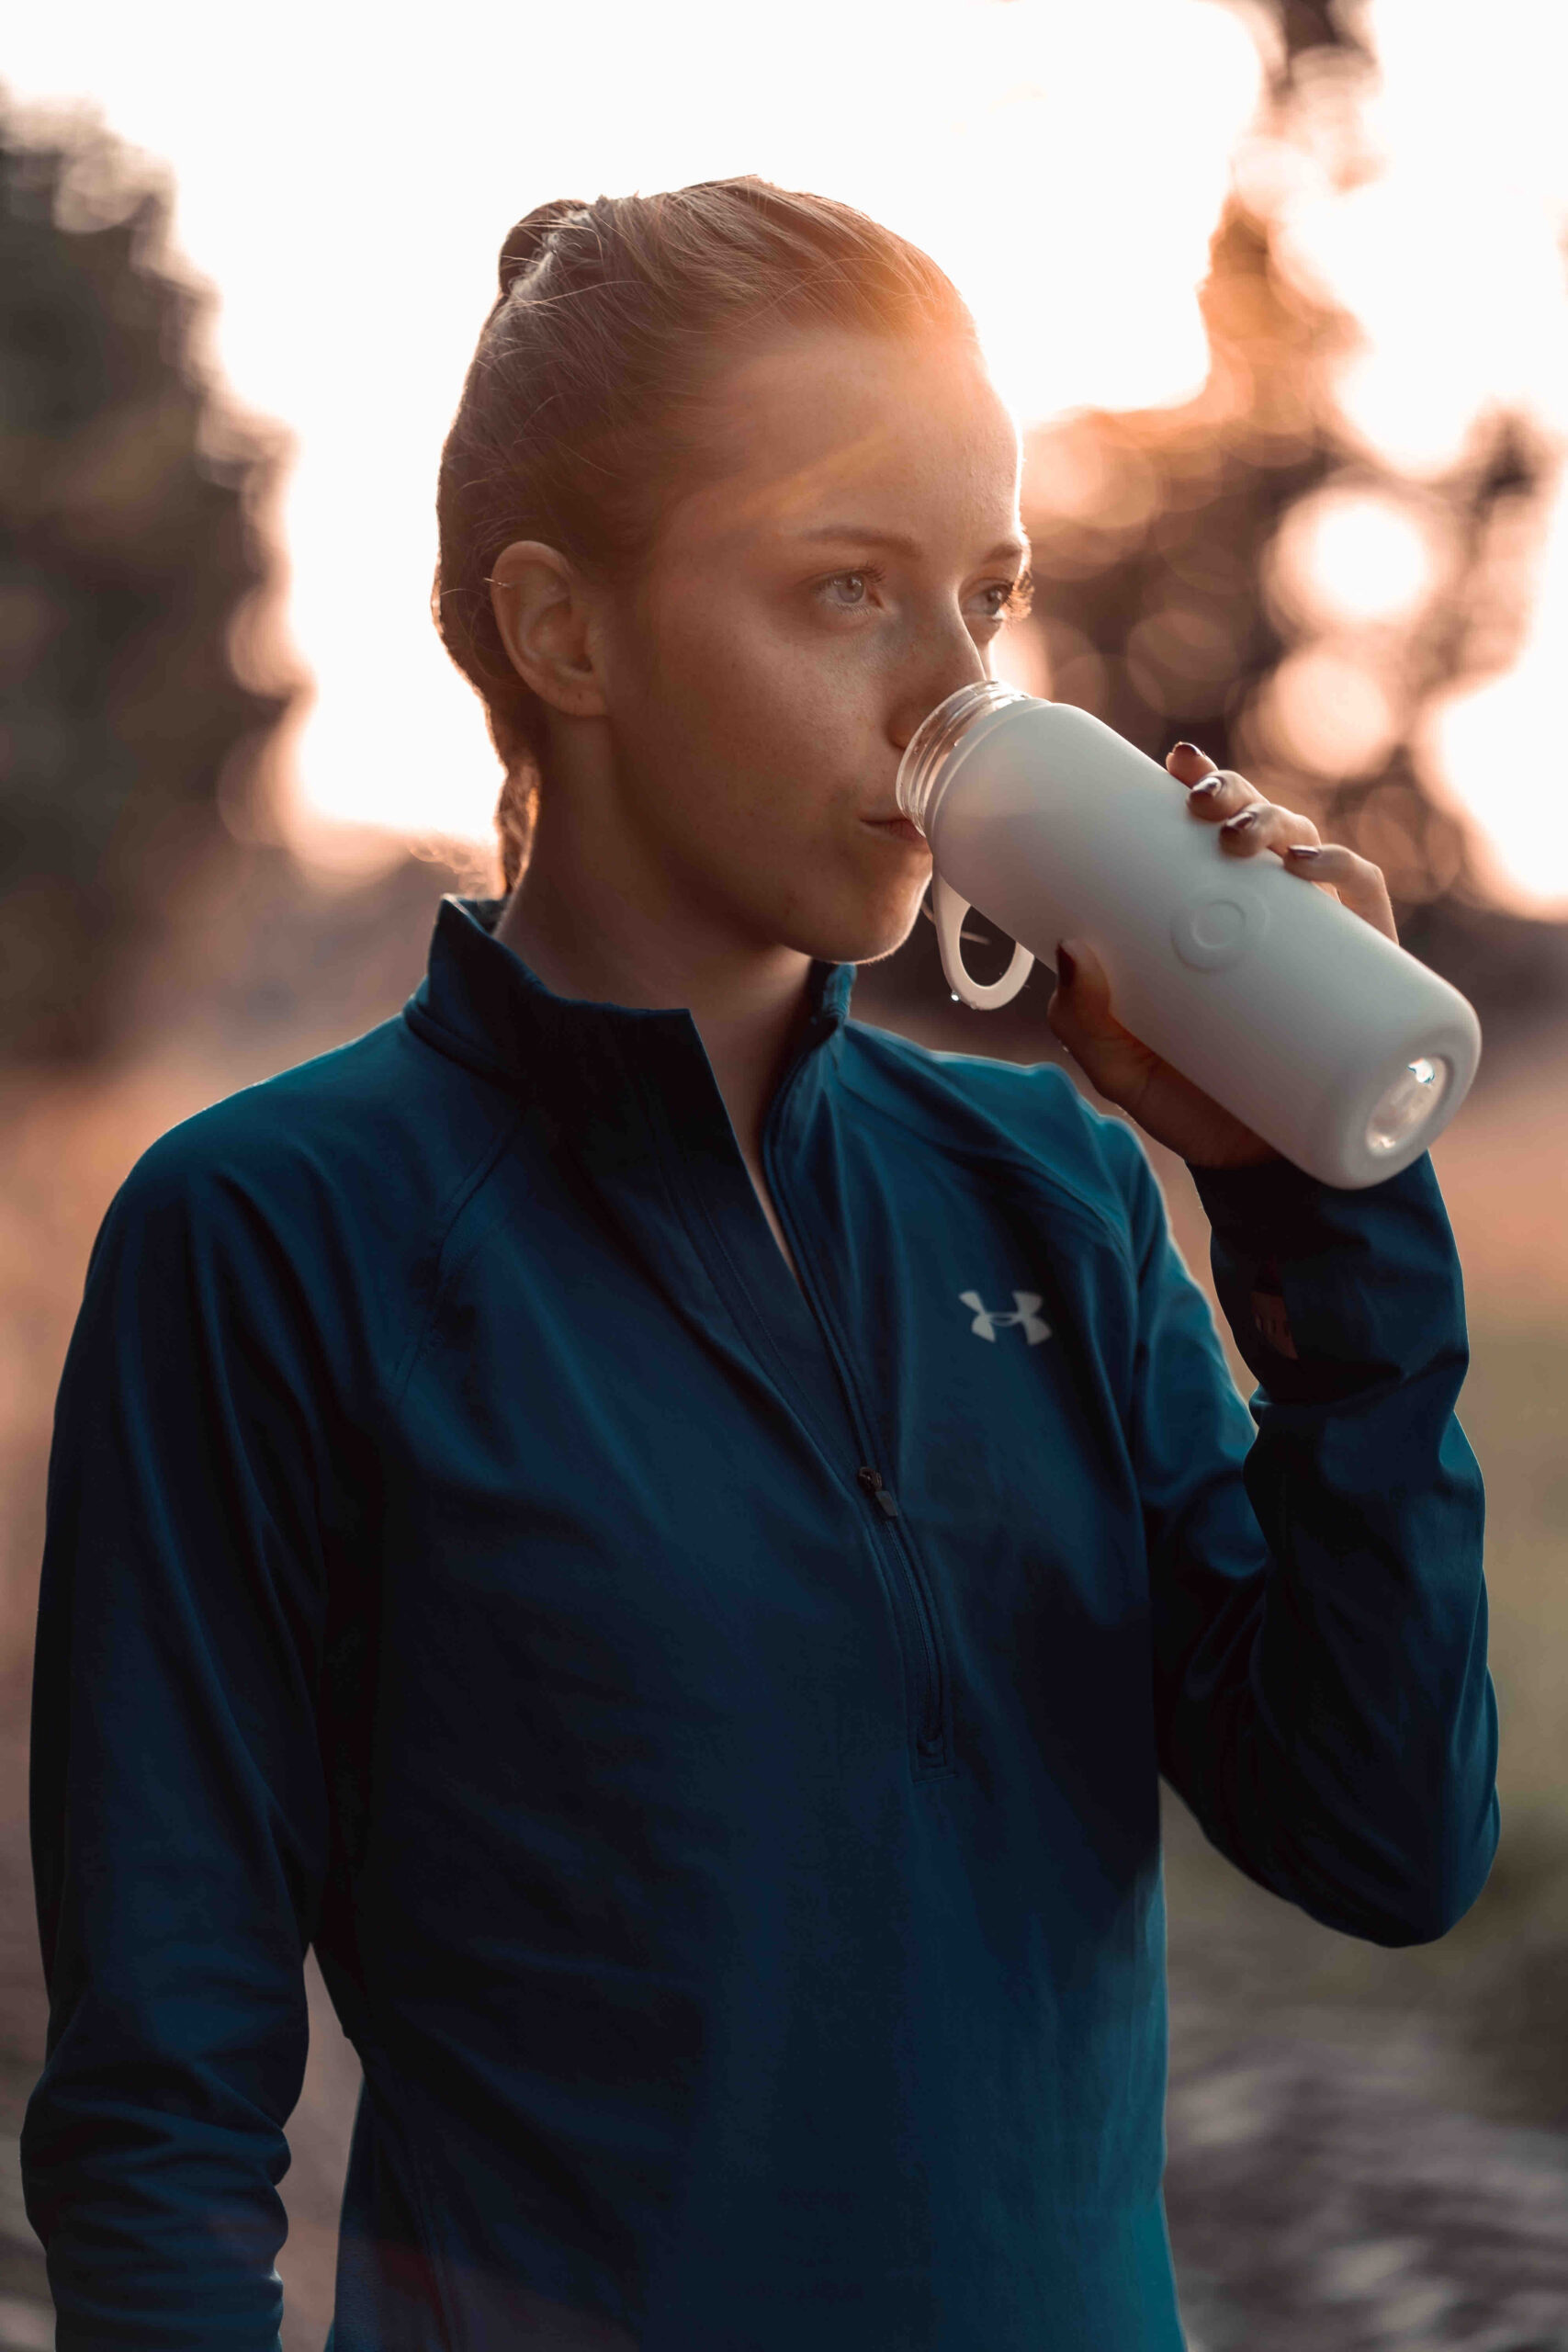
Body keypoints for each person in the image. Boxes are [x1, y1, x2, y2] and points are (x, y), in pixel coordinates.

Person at [23, 179, 1497, 2352]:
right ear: (566, 634)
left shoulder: (1048, 1190)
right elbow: (162, 2112)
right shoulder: (273, 1232)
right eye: (844, 589)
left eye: (982, 597)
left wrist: (1314, 1191)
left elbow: (1383, 1837)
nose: (953, 699)